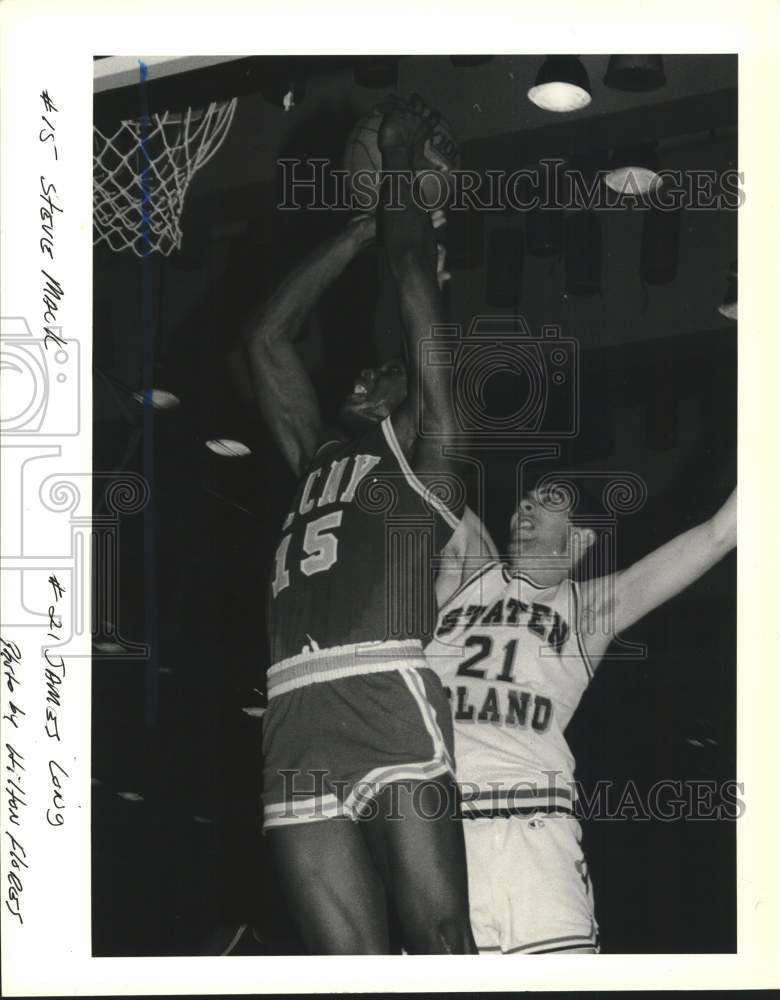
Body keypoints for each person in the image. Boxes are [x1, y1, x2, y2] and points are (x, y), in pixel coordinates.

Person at [242, 96, 478, 954]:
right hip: (293, 710)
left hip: (384, 689)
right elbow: (267, 339)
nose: (363, 374)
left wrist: (403, 178)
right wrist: (354, 229)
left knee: (443, 937)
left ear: (407, 398)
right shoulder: (313, 455)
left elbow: (415, 281)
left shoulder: (431, 456)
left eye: (384, 371)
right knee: (347, 967)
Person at [427, 477, 737, 954]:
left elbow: (717, 534)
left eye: (547, 502)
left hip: (534, 829)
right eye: (523, 501)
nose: (524, 508)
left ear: (581, 536)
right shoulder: (471, 569)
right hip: (433, 833)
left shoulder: (589, 607)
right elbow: (427, 475)